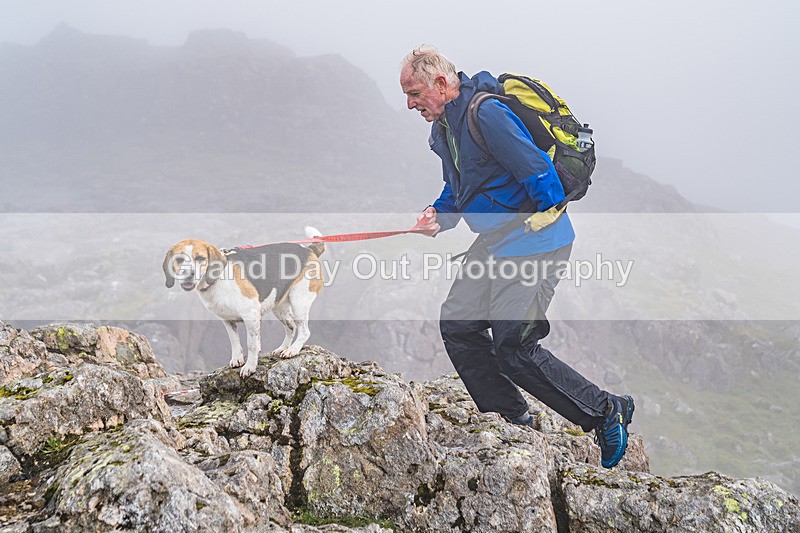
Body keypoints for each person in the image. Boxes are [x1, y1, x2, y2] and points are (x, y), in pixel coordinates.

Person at [400, 45, 635, 468]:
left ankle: (605, 411)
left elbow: (537, 172)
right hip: (494, 243)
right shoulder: (443, 131)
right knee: (458, 325)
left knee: (516, 347)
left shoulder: (486, 113)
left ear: (440, 82)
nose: (410, 103)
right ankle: (512, 417)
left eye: (414, 92)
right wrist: (439, 214)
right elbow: (460, 190)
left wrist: (540, 222)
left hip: (533, 243)